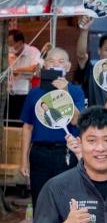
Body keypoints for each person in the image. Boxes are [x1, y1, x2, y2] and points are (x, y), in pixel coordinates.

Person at [21, 48, 85, 209]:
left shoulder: (76, 91)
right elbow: (27, 127)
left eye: (60, 62)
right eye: (51, 61)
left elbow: (76, 120)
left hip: (65, 152)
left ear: (68, 67)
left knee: (65, 200)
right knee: (40, 200)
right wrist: (23, 160)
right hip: (39, 153)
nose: (55, 65)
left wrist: (64, 93)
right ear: (45, 65)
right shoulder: (35, 93)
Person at [76, 16, 107, 108]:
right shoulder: (91, 71)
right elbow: (81, 55)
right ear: (99, 51)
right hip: (93, 120)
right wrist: (84, 31)